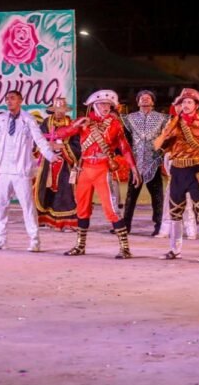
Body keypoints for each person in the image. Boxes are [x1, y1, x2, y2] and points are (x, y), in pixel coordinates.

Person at [0, 90, 60, 252]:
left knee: (27, 206)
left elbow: (39, 141)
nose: (9, 101)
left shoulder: (28, 120)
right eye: (7, 99)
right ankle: (0, 239)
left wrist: (51, 156)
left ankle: (34, 240)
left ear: (20, 100)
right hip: (3, 170)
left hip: (20, 170)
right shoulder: (1, 120)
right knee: (1, 206)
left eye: (12, 98)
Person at [53, 89, 139, 258]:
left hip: (102, 169)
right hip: (85, 169)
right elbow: (59, 134)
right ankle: (80, 245)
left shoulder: (115, 124)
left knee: (111, 209)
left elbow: (124, 147)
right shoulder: (84, 121)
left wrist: (133, 168)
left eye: (108, 104)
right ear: (93, 105)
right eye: (101, 104)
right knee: (82, 208)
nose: (105, 107)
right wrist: (76, 125)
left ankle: (125, 248)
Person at [154, 88, 199, 262]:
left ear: (197, 105)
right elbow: (159, 147)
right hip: (177, 171)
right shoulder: (174, 123)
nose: (185, 105)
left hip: (194, 171)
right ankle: (175, 249)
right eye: (183, 102)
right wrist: (167, 131)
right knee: (175, 212)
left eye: (189, 102)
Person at [121, 90, 168, 236]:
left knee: (157, 197)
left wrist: (161, 154)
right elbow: (126, 140)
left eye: (148, 98)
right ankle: (125, 226)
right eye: (142, 98)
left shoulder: (162, 118)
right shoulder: (129, 119)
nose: (145, 99)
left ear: (153, 101)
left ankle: (159, 225)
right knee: (130, 196)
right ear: (138, 102)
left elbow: (166, 139)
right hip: (136, 163)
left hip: (153, 162)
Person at [34, 97, 80, 231]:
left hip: (65, 163)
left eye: (62, 109)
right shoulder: (46, 123)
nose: (59, 112)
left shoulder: (72, 124)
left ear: (65, 110)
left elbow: (77, 144)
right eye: (56, 109)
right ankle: (45, 220)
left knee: (65, 191)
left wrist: (62, 147)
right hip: (47, 162)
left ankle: (66, 222)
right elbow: (38, 138)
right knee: (45, 190)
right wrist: (47, 145)